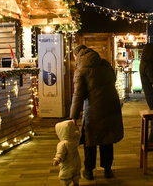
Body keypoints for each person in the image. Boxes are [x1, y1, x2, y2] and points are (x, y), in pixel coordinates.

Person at [70, 45, 124, 180]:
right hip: (111, 105)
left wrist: (73, 116)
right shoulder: (105, 64)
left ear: (77, 55)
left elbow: (78, 95)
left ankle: (88, 171)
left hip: (94, 108)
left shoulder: (81, 71)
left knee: (90, 139)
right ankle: (108, 170)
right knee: (107, 138)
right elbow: (114, 80)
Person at [53, 120, 81, 186]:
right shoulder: (74, 139)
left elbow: (60, 153)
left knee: (65, 174)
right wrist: (76, 130)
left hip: (67, 163)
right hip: (76, 161)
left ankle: (66, 184)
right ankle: (76, 183)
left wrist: (57, 160)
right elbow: (78, 134)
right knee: (76, 172)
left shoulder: (62, 144)